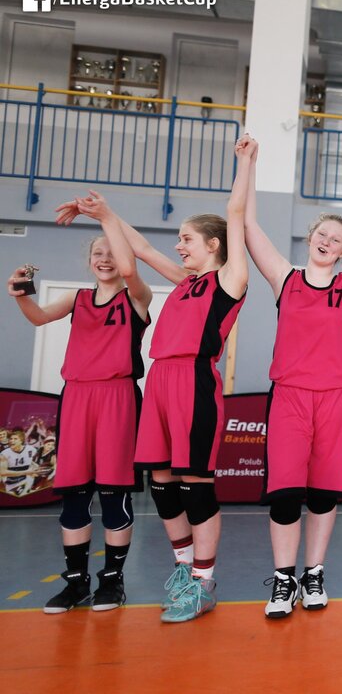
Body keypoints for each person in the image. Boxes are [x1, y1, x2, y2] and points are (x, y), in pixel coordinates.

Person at [56, 133, 251, 622]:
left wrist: (246, 163)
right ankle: (184, 570)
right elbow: (139, 247)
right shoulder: (185, 283)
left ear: (213, 245)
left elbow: (236, 212)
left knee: (196, 487)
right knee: (162, 485)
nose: (178, 246)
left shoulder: (229, 280)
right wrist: (105, 213)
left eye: (186, 239)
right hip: (160, 381)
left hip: (193, 383)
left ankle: (204, 583)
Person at [243, 142, 342, 617]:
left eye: (337, 239)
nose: (327, 241)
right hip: (289, 396)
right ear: (310, 237)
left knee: (325, 493)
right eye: (322, 234)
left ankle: (314, 574)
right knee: (285, 495)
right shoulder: (283, 278)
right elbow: (248, 227)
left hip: (337, 398)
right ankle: (284, 580)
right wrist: (248, 165)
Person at [10, 193, 151, 613]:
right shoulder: (77, 299)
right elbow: (38, 317)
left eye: (111, 253)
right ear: (89, 261)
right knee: (74, 495)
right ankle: (76, 583)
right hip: (76, 397)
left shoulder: (137, 297)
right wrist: (20, 293)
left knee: (113, 495)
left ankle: (112, 582)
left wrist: (105, 216)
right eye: (97, 254)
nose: (105, 259)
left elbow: (129, 268)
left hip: (117, 398)